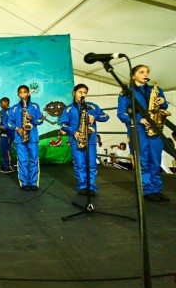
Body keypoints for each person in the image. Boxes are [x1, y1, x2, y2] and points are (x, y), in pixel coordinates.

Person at [117, 65, 169, 201]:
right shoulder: (126, 93)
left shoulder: (155, 89)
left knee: (155, 160)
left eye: (147, 72)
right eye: (141, 72)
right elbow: (121, 114)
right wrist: (139, 120)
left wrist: (163, 102)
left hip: (155, 128)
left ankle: (156, 189)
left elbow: (164, 107)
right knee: (143, 160)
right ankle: (146, 190)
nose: (146, 74)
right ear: (133, 76)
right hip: (138, 129)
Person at [59, 84, 109, 195]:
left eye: (85, 92)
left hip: (90, 140)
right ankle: (82, 185)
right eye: (80, 91)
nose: (82, 94)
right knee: (79, 164)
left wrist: (94, 117)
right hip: (76, 140)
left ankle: (91, 186)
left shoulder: (92, 106)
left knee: (91, 164)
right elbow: (63, 125)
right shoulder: (68, 108)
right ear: (74, 93)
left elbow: (106, 116)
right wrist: (74, 131)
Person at [6, 85, 43, 191]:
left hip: (33, 137)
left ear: (28, 94)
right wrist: (17, 129)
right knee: (22, 160)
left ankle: (33, 182)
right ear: (18, 94)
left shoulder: (35, 106)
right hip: (20, 137)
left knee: (34, 160)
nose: (23, 94)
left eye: (25, 92)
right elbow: (9, 123)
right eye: (21, 92)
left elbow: (40, 121)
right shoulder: (14, 108)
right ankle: (24, 183)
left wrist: (32, 118)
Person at [0, 97, 15, 173]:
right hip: (2, 133)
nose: (0, 104)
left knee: (7, 149)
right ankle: (6, 164)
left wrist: (5, 126)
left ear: (6, 102)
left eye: (2, 103)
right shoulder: (1, 112)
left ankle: (10, 167)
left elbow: (13, 122)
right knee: (3, 150)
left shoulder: (11, 111)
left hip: (9, 133)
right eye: (0, 103)